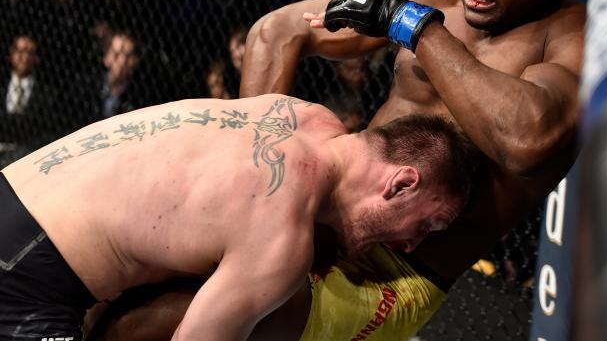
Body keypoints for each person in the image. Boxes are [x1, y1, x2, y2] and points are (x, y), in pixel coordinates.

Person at [92, 0, 586, 341]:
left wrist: (415, 27)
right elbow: (277, 32)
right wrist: (254, 180)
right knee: (125, 272)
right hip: (323, 214)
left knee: (168, 317)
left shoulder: (573, 40)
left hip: (398, 271)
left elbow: (526, 142)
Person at [0, 93, 484, 341]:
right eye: (425, 224)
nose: (411, 245)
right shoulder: (281, 240)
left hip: (14, 189)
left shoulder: (301, 114)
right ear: (400, 184)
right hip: (27, 279)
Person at [0, 34, 60, 167]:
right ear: (12, 54)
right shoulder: (2, 85)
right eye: (20, 51)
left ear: (36, 58)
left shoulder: (47, 93)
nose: (24, 57)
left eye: (29, 52)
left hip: (27, 154)